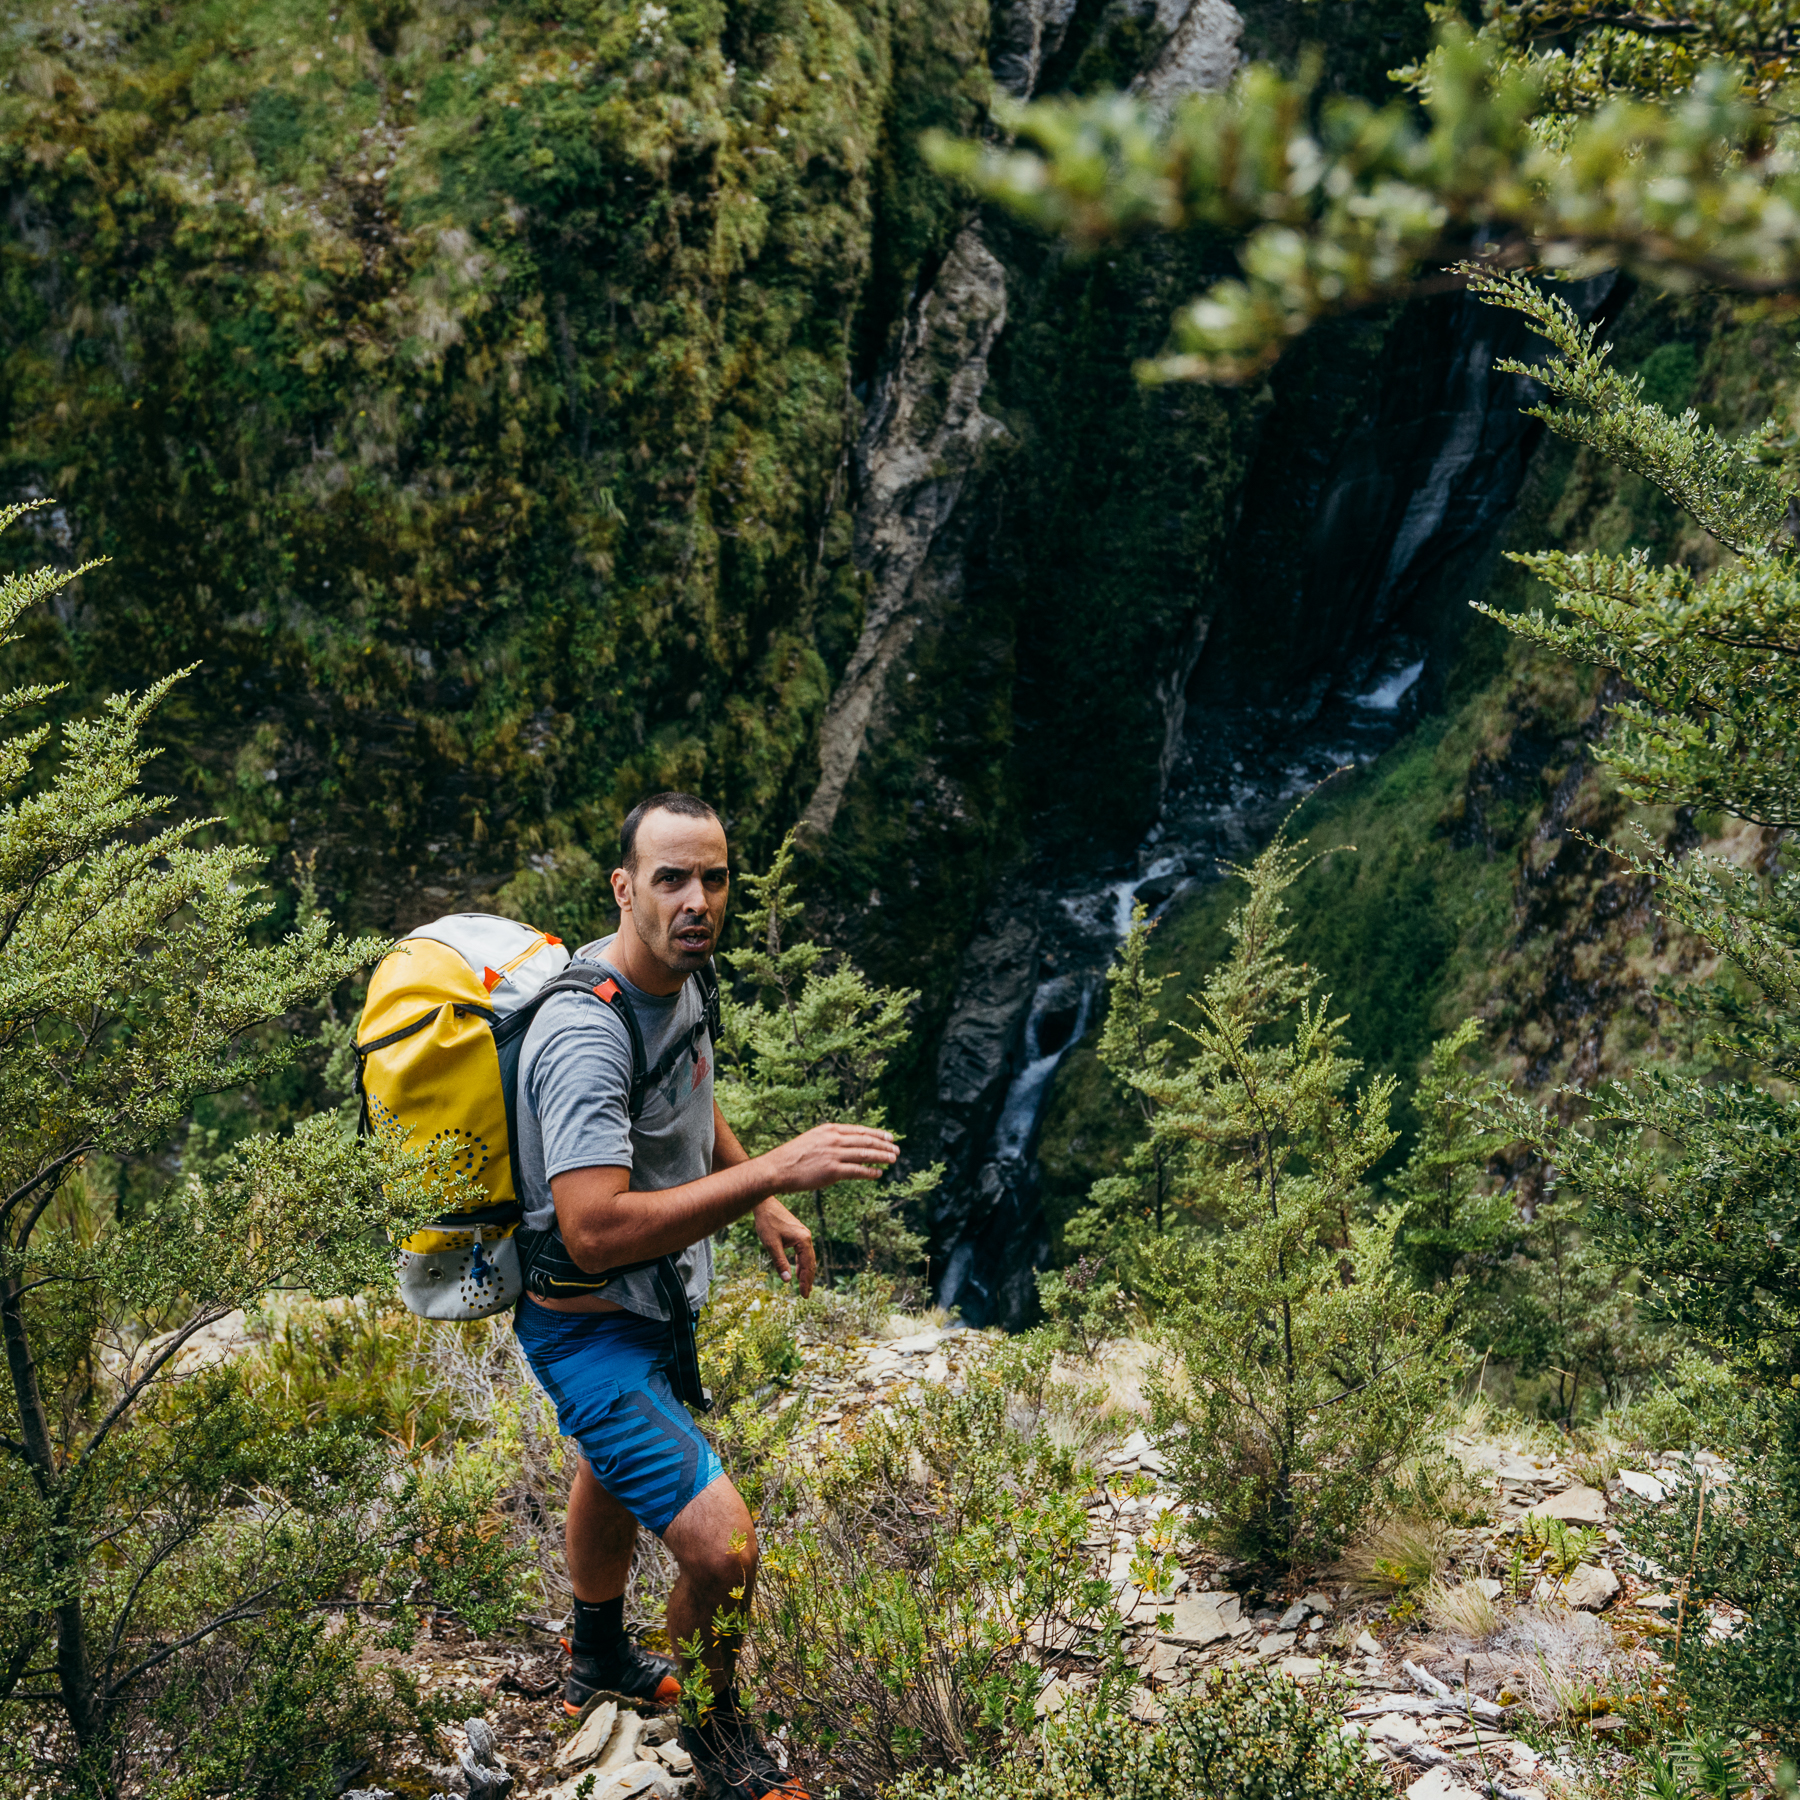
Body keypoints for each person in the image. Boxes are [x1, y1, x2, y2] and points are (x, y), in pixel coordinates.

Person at [512, 790, 897, 1800]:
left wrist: (753, 1198)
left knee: (610, 1461)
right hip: (590, 1326)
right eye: (672, 878)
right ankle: (717, 1738)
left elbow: (686, 1087)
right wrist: (770, 1174)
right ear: (624, 887)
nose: (697, 901)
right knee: (725, 1551)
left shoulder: (682, 980)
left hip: (650, 1308)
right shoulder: (584, 1037)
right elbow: (591, 1232)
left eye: (714, 878)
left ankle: (596, 1655)